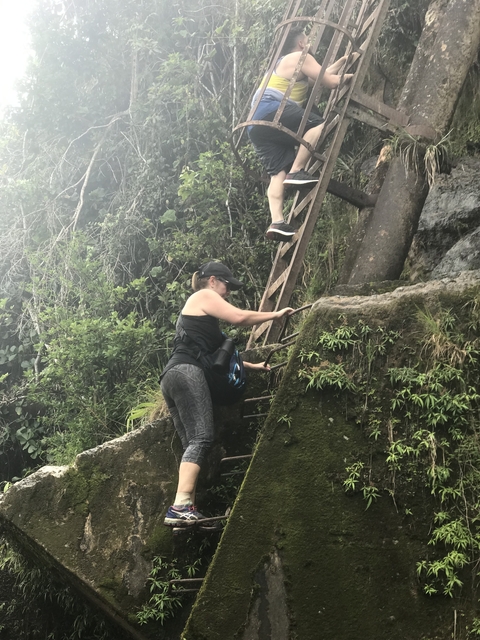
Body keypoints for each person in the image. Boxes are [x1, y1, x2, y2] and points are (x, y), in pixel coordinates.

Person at [160, 261, 293, 526]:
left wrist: (253, 366)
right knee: (202, 438)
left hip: (172, 377)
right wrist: (275, 315)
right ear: (212, 281)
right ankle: (179, 507)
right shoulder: (203, 295)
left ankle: (186, 510)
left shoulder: (200, 320)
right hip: (187, 373)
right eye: (227, 285)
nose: (229, 292)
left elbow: (215, 357)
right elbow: (240, 318)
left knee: (192, 446)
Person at [248, 27, 354, 242]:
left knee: (277, 172)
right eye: (308, 39)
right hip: (273, 110)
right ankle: (297, 171)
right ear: (301, 44)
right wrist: (352, 75)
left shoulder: (284, 63)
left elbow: (320, 78)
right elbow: (332, 82)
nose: (310, 41)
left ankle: (277, 221)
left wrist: (343, 60)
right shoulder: (301, 56)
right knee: (318, 125)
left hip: (256, 124)